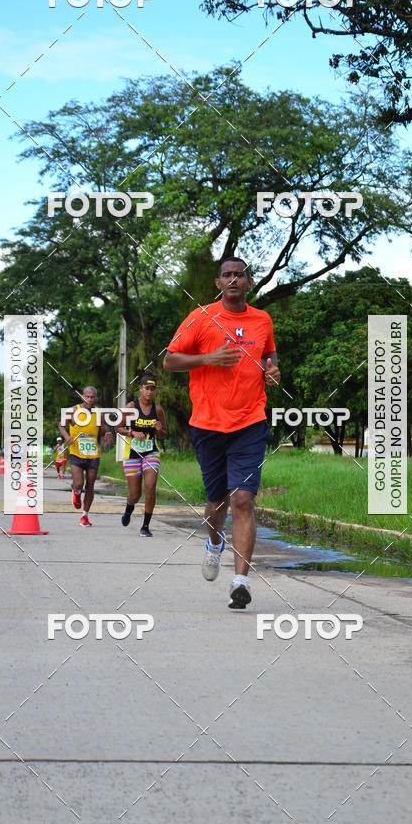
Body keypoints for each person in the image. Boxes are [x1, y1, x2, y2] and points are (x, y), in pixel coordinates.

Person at [163, 256, 280, 609]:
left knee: (243, 499)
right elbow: (169, 360)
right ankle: (214, 542)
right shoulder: (201, 317)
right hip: (208, 423)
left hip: (250, 422)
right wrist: (208, 359)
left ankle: (240, 582)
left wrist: (272, 372)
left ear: (249, 282)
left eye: (239, 275)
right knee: (217, 503)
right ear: (218, 283)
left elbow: (270, 359)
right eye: (226, 275)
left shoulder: (262, 319)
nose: (233, 280)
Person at [117, 372, 167, 537]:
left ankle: (145, 526)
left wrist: (160, 430)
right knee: (135, 494)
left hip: (151, 453)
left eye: (153, 389)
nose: (149, 392)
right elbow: (118, 427)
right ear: (140, 388)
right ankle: (129, 509)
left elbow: (164, 434)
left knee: (150, 487)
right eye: (147, 388)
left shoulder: (157, 409)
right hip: (132, 454)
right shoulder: (131, 407)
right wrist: (132, 432)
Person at [58, 386, 113, 527]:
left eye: (92, 397)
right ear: (82, 396)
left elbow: (103, 431)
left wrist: (107, 433)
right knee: (79, 483)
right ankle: (76, 491)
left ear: (96, 398)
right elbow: (61, 425)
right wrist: (66, 437)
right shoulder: (73, 410)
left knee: (90, 485)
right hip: (76, 453)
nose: (90, 399)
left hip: (93, 455)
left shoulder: (98, 413)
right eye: (87, 396)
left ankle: (85, 515)